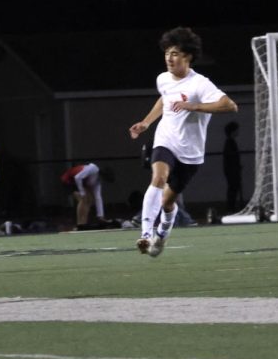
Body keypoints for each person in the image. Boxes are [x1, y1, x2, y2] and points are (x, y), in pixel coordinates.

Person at [129, 26, 237, 257]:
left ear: (188, 56)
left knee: (168, 202)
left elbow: (230, 105)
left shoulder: (200, 84)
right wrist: (147, 122)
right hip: (165, 139)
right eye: (167, 52)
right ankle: (146, 235)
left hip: (190, 152)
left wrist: (194, 105)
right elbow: (164, 99)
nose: (169, 57)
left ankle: (162, 235)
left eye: (175, 53)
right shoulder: (163, 79)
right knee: (158, 178)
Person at [61, 163, 110, 227]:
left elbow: (98, 197)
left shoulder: (98, 182)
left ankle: (84, 223)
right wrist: (82, 192)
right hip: (69, 179)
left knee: (89, 200)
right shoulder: (93, 169)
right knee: (82, 200)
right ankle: (80, 224)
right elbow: (77, 177)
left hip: (80, 182)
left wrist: (100, 216)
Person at [222, 121, 244, 213]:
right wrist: (236, 168)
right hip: (232, 171)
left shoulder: (231, 142)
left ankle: (232, 208)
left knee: (234, 189)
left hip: (233, 170)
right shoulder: (230, 143)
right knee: (233, 189)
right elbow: (231, 159)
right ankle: (231, 208)